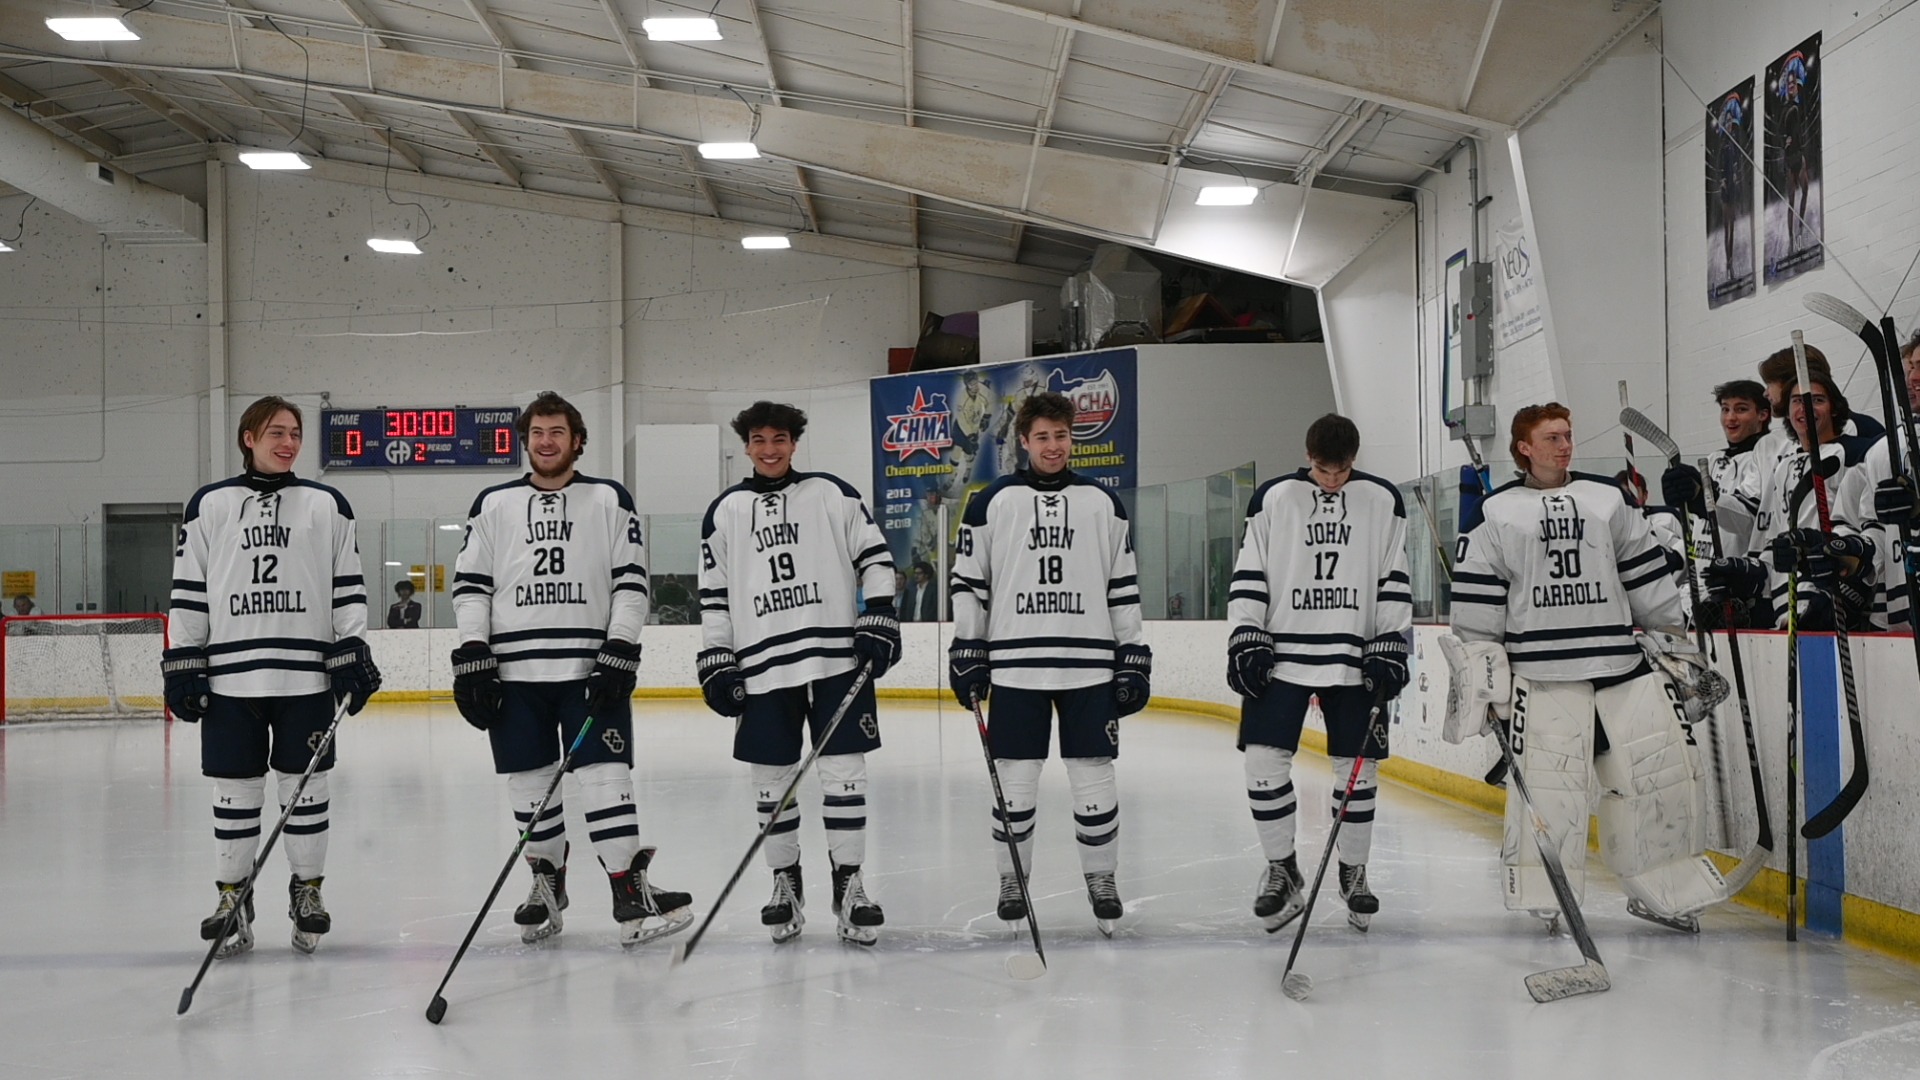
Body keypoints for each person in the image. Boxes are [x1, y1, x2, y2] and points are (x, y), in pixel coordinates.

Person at [1443, 402, 1727, 933]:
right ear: (1524, 447)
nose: (1565, 445)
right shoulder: (1494, 511)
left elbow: (1646, 576)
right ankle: (1547, 895)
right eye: (1552, 437)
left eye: (1568, 435)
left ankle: (1664, 886)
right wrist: (1485, 680)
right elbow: (1478, 607)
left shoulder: (1608, 499)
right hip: (1542, 672)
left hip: (1620, 664)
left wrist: (1675, 644)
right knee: (1553, 792)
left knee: (1660, 777)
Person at [450, 391, 692, 947]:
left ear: (577, 440)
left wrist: (620, 647)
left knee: (607, 778)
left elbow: (631, 582)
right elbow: (471, 586)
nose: (546, 441)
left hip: (588, 670)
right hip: (515, 674)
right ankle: (547, 882)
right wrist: (472, 654)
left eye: (557, 431)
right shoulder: (493, 503)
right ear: (525, 439)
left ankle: (628, 887)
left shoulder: (608, 498)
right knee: (530, 784)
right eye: (537, 432)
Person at [162, 395, 381, 958]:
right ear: (249, 437)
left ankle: (307, 890)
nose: (288, 443)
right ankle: (232, 895)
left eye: (295, 434)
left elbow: (347, 583)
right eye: (276, 432)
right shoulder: (210, 504)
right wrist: (184, 658)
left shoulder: (327, 504)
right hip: (231, 680)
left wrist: (351, 643)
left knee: (306, 789)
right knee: (234, 792)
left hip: (306, 678)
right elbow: (189, 588)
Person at [696, 401, 900, 946]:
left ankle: (849, 881)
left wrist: (880, 611)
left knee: (845, 773)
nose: (770, 450)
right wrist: (716, 655)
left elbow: (876, 558)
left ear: (794, 442)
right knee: (771, 783)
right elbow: (714, 596)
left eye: (779, 439)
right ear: (746, 446)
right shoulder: (725, 511)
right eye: (759, 440)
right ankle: (784, 881)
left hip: (837, 659)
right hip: (762, 664)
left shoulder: (831, 492)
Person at [949, 391, 1149, 934]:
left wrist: (1133, 651)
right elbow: (969, 582)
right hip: (1016, 665)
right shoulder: (992, 501)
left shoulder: (1102, 502)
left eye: (1061, 436)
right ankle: (1013, 880)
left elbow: (1122, 585)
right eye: (1042, 437)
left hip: (1090, 665)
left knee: (1094, 776)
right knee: (1015, 780)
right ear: (1024, 440)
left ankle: (1102, 880)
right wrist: (968, 646)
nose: (1053, 446)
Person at [1225, 413, 1411, 934]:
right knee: (1262, 763)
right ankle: (1281, 869)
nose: (1332, 479)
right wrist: (1246, 633)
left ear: (1354, 460)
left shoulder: (1382, 499)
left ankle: (1354, 871)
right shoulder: (1274, 497)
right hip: (1282, 654)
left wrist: (1390, 641)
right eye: (1324, 470)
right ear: (1308, 457)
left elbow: (1394, 574)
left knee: (1358, 771)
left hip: (1354, 653)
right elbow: (1250, 569)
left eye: (1342, 470)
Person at [1707, 371, 1874, 631]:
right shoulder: (1784, 467)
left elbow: (1868, 533)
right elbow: (1774, 539)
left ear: (1834, 408)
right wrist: (1749, 572)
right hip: (1785, 606)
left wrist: (1849, 581)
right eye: (1796, 401)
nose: (1804, 408)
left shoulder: (1856, 454)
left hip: (1832, 598)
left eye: (1817, 400)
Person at [1840, 335, 1920, 632]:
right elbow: (1874, 527)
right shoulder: (1883, 450)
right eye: (1912, 366)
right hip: (1902, 616)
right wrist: (1851, 554)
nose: (1913, 377)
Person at [1661, 381, 1771, 586]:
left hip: (1740, 584)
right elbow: (1699, 530)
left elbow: (1747, 521)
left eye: (1741, 409)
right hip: (1701, 584)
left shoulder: (1765, 459)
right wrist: (1675, 558)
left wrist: (1704, 498)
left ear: (1763, 415)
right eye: (1725, 409)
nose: (1730, 418)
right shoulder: (1712, 460)